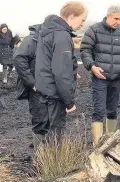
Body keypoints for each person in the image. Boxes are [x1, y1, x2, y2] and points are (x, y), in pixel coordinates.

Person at [35, 1, 88, 142]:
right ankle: (54, 164)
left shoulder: (48, 32)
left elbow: (49, 62)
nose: (83, 23)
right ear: (71, 16)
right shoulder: (62, 36)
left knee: (48, 133)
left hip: (45, 90)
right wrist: (69, 102)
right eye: (82, 19)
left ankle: (45, 162)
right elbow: (61, 73)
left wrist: (71, 70)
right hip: (55, 94)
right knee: (55, 135)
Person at [80, 5, 120, 145]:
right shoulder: (94, 29)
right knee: (99, 111)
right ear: (108, 16)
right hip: (100, 79)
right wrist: (92, 67)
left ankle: (111, 143)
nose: (118, 22)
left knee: (113, 110)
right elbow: (85, 50)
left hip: (116, 79)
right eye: (116, 18)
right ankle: (98, 146)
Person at [13, 14, 57, 148]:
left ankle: (50, 150)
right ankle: (40, 155)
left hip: (53, 86)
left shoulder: (55, 39)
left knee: (53, 119)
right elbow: (19, 59)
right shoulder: (32, 40)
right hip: (37, 87)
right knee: (40, 119)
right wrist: (32, 82)